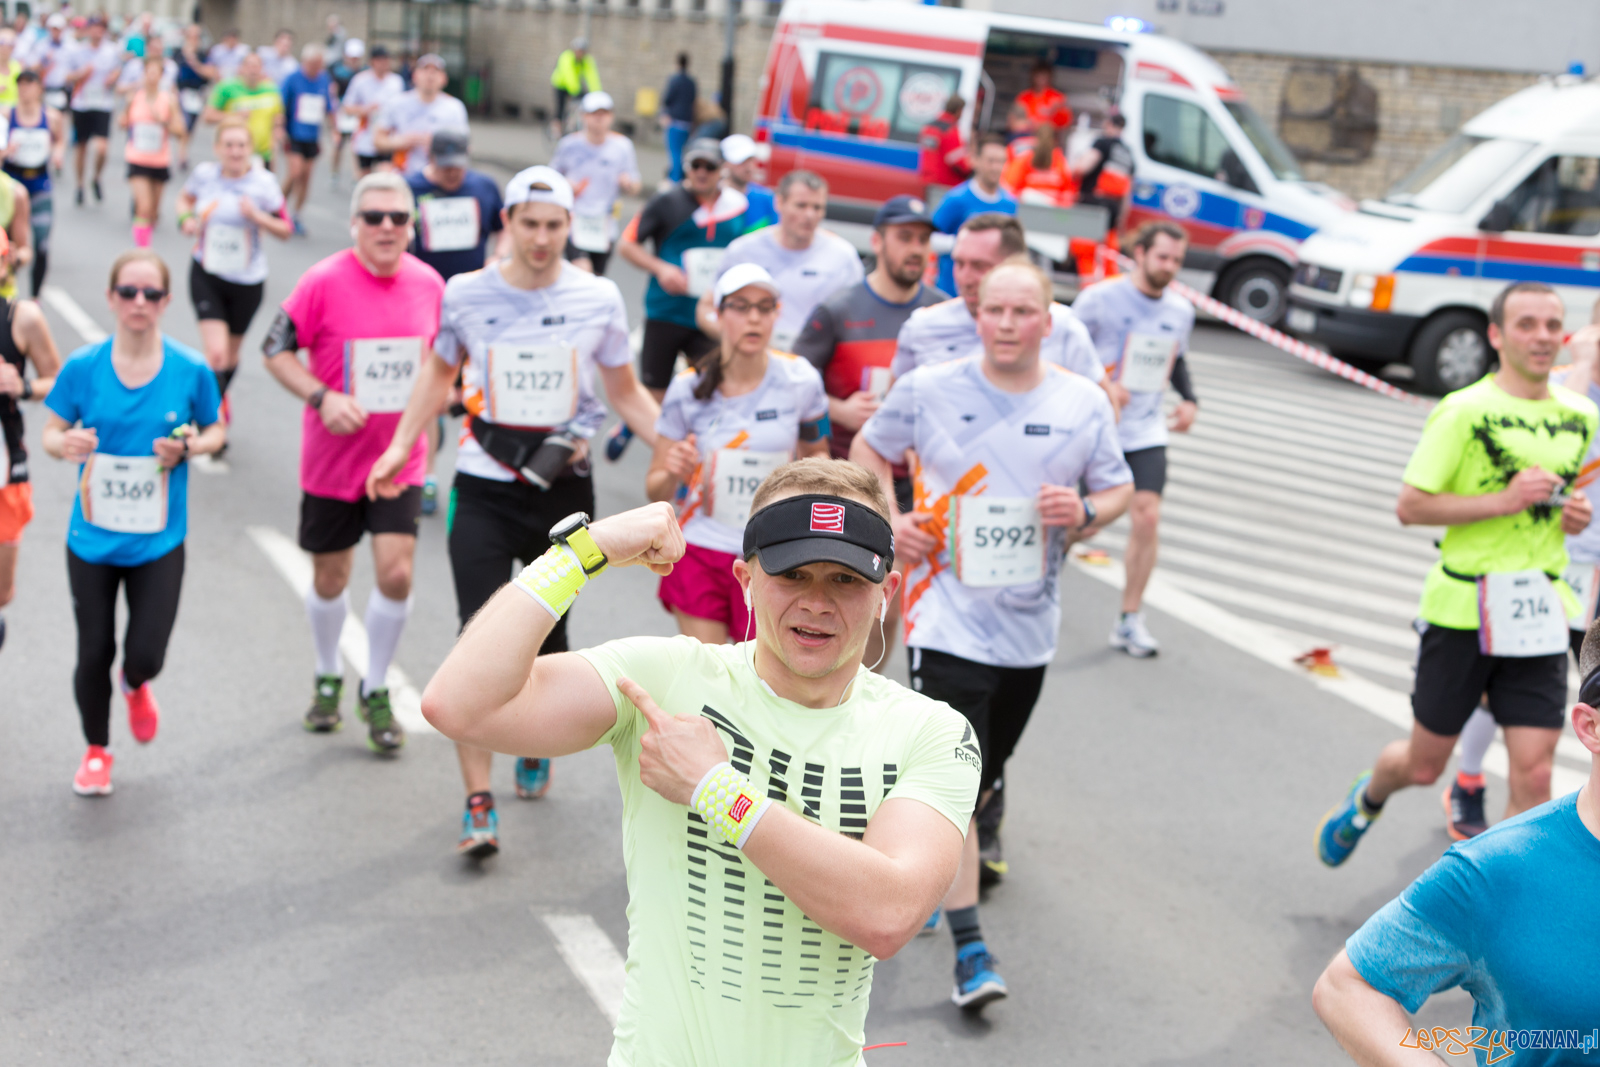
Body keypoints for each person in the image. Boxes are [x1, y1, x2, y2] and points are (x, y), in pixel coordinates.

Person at [421, 456, 976, 1063]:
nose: (817, 603)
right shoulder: (668, 676)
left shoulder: (933, 732)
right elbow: (459, 705)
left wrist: (716, 790)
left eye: (845, 580)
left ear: (885, 594)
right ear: (745, 579)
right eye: (793, 575)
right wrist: (584, 550)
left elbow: (888, 914)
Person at [852, 259, 1133, 1009]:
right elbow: (868, 450)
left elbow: (1119, 485)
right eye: (994, 310)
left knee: (983, 775)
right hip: (943, 613)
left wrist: (1084, 512)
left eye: (1023, 312)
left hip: (1030, 625)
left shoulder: (1081, 401)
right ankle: (971, 947)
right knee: (959, 779)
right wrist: (892, 520)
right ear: (977, 315)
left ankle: (906, 839)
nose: (1007, 324)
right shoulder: (930, 387)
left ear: (1049, 321)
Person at [367, 165, 661, 857]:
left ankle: (535, 733)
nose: (541, 237)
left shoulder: (598, 296)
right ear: (508, 225)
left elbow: (625, 391)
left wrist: (681, 448)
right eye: (528, 223)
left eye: (554, 225)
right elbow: (439, 374)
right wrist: (399, 446)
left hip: (564, 488)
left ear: (569, 227)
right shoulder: (467, 292)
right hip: (483, 483)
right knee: (479, 632)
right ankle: (477, 798)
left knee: (550, 635)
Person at [1314, 280, 1595, 870]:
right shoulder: (1463, 410)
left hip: (1538, 609)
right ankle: (1368, 798)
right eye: (1526, 325)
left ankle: (1509, 913)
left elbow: (1560, 508)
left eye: (1552, 325)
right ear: (1495, 335)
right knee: (1422, 764)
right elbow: (1411, 506)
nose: (1542, 337)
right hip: (1463, 605)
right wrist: (1508, 499)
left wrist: (1570, 517)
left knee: (1536, 770)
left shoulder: (1581, 417)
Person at [1312, 648, 1600, 1065]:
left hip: (1534, 638)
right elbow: (1346, 988)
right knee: (1424, 763)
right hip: (1464, 631)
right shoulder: (1497, 869)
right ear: (1591, 726)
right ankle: (1370, 796)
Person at [261, 172, 446, 754]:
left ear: (412, 226)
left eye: (398, 218)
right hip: (332, 463)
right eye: (374, 217)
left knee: (396, 573)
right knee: (330, 577)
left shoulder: (430, 284)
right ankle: (326, 672)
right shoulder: (322, 281)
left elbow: (444, 370)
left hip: (399, 462)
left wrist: (428, 444)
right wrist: (322, 396)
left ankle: (375, 686)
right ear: (355, 224)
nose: (387, 227)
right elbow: (274, 349)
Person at [39, 249, 226, 795]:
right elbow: (51, 433)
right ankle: (97, 750)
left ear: (167, 301)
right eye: (128, 292)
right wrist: (64, 443)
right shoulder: (83, 367)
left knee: (145, 653)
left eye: (150, 293)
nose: (138, 302)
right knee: (93, 648)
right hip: (92, 540)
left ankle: (137, 683)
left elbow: (214, 432)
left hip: (159, 541)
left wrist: (190, 446)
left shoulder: (190, 369)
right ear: (111, 298)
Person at [794, 194, 945, 668]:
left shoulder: (943, 315)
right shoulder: (839, 309)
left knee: (887, 599)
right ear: (878, 241)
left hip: (914, 480)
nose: (915, 249)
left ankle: (866, 691)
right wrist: (839, 410)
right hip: (845, 474)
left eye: (923, 239)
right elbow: (797, 380)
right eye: (905, 238)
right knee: (839, 589)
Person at [647, 262, 830, 643]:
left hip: (772, 553)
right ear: (719, 313)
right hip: (701, 549)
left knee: (761, 684)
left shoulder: (802, 380)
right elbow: (655, 490)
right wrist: (673, 471)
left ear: (777, 314)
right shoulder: (689, 387)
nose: (754, 318)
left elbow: (822, 462)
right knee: (710, 678)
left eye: (765, 307)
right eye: (742, 306)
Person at [1071, 222, 1199, 659]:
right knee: (1080, 524)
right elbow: (1061, 352)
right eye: (1162, 257)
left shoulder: (1181, 310)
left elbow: (1175, 357)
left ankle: (1129, 618)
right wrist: (1103, 383)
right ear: (1139, 253)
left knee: (1147, 516)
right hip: (1096, 427)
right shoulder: (1099, 299)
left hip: (1145, 428)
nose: (1169, 267)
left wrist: (1190, 399)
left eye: (1177, 261)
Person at [405, 126, 506, 514]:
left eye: (458, 167)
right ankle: (427, 477)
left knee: (467, 392)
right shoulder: (411, 189)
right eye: (445, 167)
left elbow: (505, 230)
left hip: (474, 307)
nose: (453, 175)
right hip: (426, 303)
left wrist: (499, 258)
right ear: (431, 160)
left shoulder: (483, 187)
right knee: (430, 391)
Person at [890, 213, 1104, 387]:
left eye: (979, 266)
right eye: (959, 263)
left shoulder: (1063, 327)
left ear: (1016, 265)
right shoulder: (922, 326)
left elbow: (1101, 408)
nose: (965, 278)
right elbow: (893, 411)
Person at [616, 136, 749, 408]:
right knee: (655, 392)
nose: (701, 172)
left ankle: (689, 442)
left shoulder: (738, 206)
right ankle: (640, 431)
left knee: (713, 385)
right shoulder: (666, 201)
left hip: (710, 314)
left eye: (709, 166)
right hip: (666, 310)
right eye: (694, 165)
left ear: (722, 169)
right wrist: (661, 268)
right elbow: (627, 245)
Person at [177, 117, 292, 430]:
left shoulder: (264, 184)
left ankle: (213, 406)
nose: (235, 151)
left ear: (250, 149)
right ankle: (210, 420)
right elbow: (184, 199)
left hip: (248, 280)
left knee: (229, 357)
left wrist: (257, 217)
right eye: (228, 145)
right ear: (217, 148)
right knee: (215, 354)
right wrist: (186, 219)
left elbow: (285, 228)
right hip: (207, 272)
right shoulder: (204, 175)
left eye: (241, 145)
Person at [695, 170, 862, 353]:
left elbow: (858, 318)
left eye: (817, 208)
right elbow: (706, 308)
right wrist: (737, 337)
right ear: (779, 203)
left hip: (812, 364)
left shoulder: (842, 256)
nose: (809, 215)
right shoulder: (743, 250)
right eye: (801, 205)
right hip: (751, 362)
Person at [0, 274, 63, 652]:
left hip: (5, 475)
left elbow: (56, 380)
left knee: (2, 593)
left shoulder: (21, 319)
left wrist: (21, 385)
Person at [550, 90, 640, 278]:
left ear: (611, 116)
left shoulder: (622, 146)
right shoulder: (569, 144)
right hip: (575, 221)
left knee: (595, 280)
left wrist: (628, 184)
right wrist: (565, 184)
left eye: (604, 114)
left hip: (604, 225)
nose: (599, 119)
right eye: (594, 114)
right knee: (582, 271)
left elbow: (636, 185)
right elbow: (551, 178)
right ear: (584, 116)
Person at [4, 69, 65, 296]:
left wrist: (58, 154)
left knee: (41, 245)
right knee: (8, 246)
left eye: (29, 85)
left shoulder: (51, 117)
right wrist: (6, 151)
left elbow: (59, 141)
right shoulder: (7, 115)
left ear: (39, 88)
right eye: (20, 85)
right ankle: (8, 290)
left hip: (39, 184)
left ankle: (35, 296)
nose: (24, 90)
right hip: (12, 184)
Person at [930, 134, 1016, 298]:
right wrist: (965, 245)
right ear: (975, 160)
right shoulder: (956, 199)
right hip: (951, 294)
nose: (996, 167)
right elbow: (930, 237)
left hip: (990, 296)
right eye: (991, 161)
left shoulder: (1009, 204)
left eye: (1001, 161)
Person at [120, 54, 184, 249]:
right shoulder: (134, 98)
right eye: (148, 72)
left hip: (159, 159)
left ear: (162, 76)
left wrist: (162, 121)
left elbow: (180, 131)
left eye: (156, 73)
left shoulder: (169, 100)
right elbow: (122, 123)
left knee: (153, 213)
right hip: (137, 157)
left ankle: (146, 239)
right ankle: (142, 251)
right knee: (144, 208)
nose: (151, 76)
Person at [372, 53, 467, 178]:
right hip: (403, 175)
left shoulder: (455, 107)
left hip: (438, 177)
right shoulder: (397, 103)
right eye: (425, 69)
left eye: (436, 71)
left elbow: (465, 147)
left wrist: (437, 144)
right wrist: (401, 141)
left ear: (444, 78)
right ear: (414, 75)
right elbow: (377, 141)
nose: (430, 75)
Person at [280, 44, 336, 234]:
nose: (316, 68)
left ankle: (296, 214)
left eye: (320, 64)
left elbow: (329, 107)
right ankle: (278, 206)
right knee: (295, 172)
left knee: (306, 177)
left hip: (312, 136)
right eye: (313, 64)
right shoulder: (293, 78)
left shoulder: (323, 80)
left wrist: (334, 130)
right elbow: (280, 104)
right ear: (305, 62)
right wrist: (279, 128)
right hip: (294, 134)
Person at [66, 15, 120, 206]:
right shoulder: (77, 51)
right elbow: (67, 76)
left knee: (102, 148)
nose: (97, 31)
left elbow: (117, 70)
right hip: (82, 103)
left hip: (102, 104)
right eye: (94, 28)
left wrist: (112, 77)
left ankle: (96, 177)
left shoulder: (112, 51)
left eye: (101, 28)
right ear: (88, 30)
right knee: (81, 148)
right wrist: (81, 74)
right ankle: (79, 185)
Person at [203, 51, 285, 167]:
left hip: (263, 154)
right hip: (234, 155)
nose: (253, 70)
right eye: (249, 66)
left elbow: (278, 116)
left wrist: (277, 131)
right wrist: (234, 115)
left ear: (262, 68)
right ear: (241, 68)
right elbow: (208, 116)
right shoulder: (226, 88)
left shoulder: (271, 90)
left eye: (257, 66)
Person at [340, 44, 403, 179]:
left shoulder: (396, 81)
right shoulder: (360, 80)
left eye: (386, 60)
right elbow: (347, 107)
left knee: (386, 176)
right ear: (372, 62)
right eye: (379, 60)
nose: (383, 64)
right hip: (365, 137)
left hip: (387, 138)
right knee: (364, 179)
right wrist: (366, 109)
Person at [1072, 109, 1134, 230]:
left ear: (1108, 124)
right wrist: (1120, 219)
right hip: (1113, 210)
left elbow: (1082, 168)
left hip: (1092, 204)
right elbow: (1127, 193)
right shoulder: (1127, 152)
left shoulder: (1102, 143)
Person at [1001, 125, 1074, 206]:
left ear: (1034, 139)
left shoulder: (1023, 160)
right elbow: (1068, 196)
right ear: (1055, 141)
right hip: (1048, 213)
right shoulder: (1062, 163)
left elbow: (1010, 189)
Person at [174, 24, 215, 167]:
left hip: (197, 95)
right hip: (181, 93)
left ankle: (183, 149)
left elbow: (210, 73)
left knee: (191, 126)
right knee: (184, 124)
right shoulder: (178, 53)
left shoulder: (203, 55)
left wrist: (194, 62)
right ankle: (182, 154)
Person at [720, 132, 776, 230]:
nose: (749, 166)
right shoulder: (712, 198)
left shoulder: (767, 198)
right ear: (725, 163)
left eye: (751, 160)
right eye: (741, 161)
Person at [328, 38, 363, 186]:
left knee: (356, 145)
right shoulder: (338, 71)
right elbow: (332, 92)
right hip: (342, 113)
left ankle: (357, 176)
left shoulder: (363, 72)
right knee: (338, 145)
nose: (353, 60)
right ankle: (335, 173)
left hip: (357, 114)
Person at [917, 93, 969, 188]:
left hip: (925, 180)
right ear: (959, 110)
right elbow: (959, 162)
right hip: (944, 183)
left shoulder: (928, 127)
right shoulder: (951, 130)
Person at [549, 36, 598, 136]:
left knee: (579, 105)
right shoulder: (566, 57)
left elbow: (592, 76)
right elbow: (569, 74)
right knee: (560, 108)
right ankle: (556, 130)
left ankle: (571, 126)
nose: (580, 53)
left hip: (574, 86)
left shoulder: (587, 60)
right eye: (579, 50)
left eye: (583, 51)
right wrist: (576, 90)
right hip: (560, 84)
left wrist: (597, 93)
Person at [661, 52, 695, 183]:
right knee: (683, 152)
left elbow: (667, 99)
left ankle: (675, 180)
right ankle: (680, 177)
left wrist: (665, 114)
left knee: (674, 152)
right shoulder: (691, 82)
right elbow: (693, 99)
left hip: (675, 120)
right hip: (687, 121)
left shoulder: (674, 80)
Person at [1015, 60, 1070, 132]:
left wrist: (1057, 111)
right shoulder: (1024, 97)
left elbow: (1065, 123)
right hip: (1027, 135)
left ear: (1050, 77)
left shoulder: (1057, 97)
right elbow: (1014, 121)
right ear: (1032, 76)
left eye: (1044, 75)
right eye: (1038, 75)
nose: (1041, 79)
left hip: (1049, 138)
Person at [35, 15, 74, 114]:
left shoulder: (71, 46)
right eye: (53, 29)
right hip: (45, 90)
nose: (56, 32)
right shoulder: (41, 45)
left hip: (64, 90)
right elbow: (33, 66)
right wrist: (44, 61)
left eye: (58, 29)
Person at [0, 29, 24, 108]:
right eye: (1, 43)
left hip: (14, 112)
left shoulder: (18, 66)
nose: (5, 48)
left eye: (10, 45)